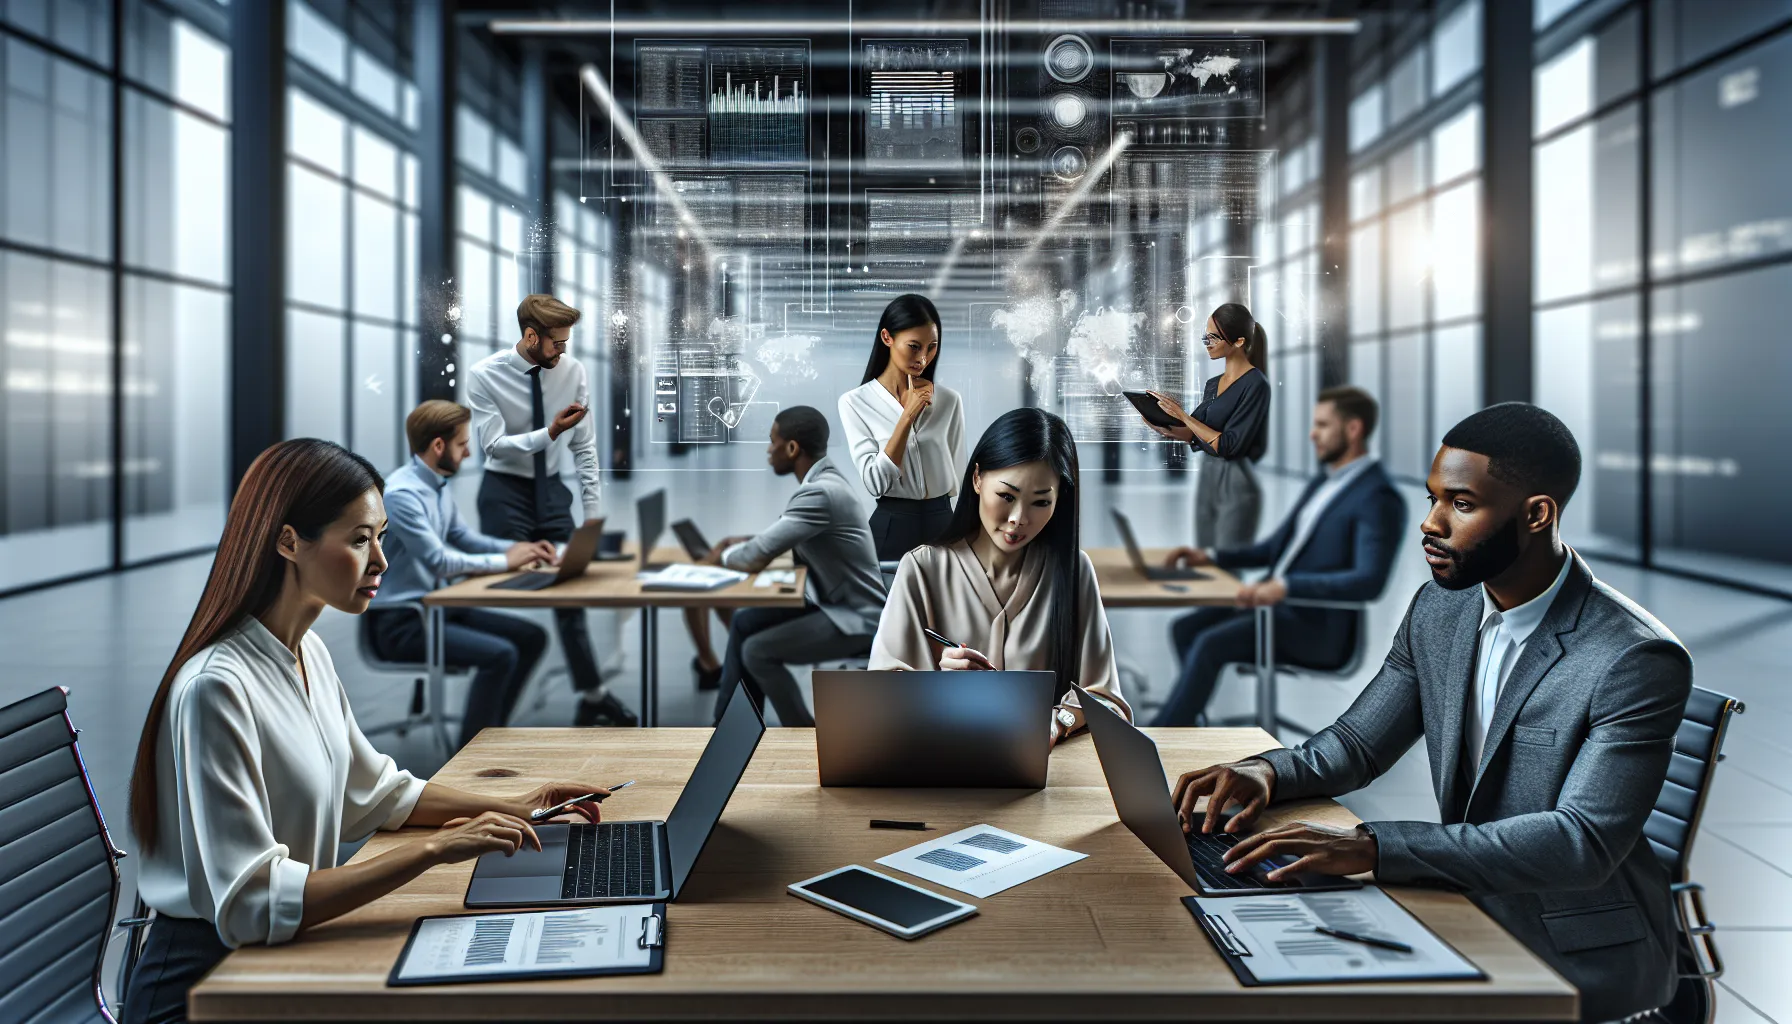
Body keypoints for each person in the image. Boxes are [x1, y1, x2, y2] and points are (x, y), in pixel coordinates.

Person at [1169, 404, 1692, 1024]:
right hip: (1463, 900)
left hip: (1571, 947)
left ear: (1536, 514)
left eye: (1462, 505)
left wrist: (1371, 846)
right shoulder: (1441, 611)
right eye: (1433, 498)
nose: (1430, 523)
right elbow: (1359, 745)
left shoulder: (1633, 656)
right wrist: (1269, 773)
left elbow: (1578, 844)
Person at [124, 439, 614, 1024]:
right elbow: (253, 903)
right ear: (288, 543)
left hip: (281, 955)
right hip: (207, 985)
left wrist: (515, 805)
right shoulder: (216, 687)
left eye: (380, 536)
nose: (382, 560)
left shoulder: (308, 651)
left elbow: (377, 792)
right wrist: (433, 851)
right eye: (360, 540)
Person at [870, 407, 1131, 742]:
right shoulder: (922, 569)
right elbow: (878, 697)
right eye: (1006, 496)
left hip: (1047, 775)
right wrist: (936, 685)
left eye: (1040, 502)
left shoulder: (1073, 570)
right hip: (940, 768)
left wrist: (1057, 720)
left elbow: (1107, 701)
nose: (1018, 519)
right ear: (977, 479)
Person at [1151, 387, 1405, 725]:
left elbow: (1368, 582)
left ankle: (1163, 736)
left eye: (1323, 425)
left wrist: (1285, 587)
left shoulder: (1378, 497)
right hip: (1278, 610)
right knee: (1186, 629)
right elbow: (1275, 549)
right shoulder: (1324, 484)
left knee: (1211, 643)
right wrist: (1211, 557)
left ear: (1353, 429)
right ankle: (1188, 722)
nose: (1313, 434)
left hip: (1318, 627)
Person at [467, 293, 633, 726]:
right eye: (557, 342)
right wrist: (549, 432)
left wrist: (592, 513)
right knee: (505, 583)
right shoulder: (484, 375)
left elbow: (585, 445)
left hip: (553, 493)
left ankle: (592, 694)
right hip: (505, 495)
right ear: (530, 336)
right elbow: (494, 447)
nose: (564, 350)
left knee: (569, 587)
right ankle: (485, 694)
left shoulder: (573, 371)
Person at [365, 401, 559, 748]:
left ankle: (491, 731)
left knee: (532, 637)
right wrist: (507, 563)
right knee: (500, 654)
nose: (468, 453)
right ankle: (470, 754)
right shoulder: (402, 495)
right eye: (462, 444)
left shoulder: (437, 484)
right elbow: (439, 561)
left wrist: (521, 549)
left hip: (438, 608)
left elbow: (463, 538)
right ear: (438, 446)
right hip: (402, 622)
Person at [692, 406, 886, 726]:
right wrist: (737, 542)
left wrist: (721, 557)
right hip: (834, 603)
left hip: (857, 617)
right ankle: (727, 726)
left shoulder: (819, 493)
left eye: (772, 442)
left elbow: (756, 557)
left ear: (792, 448)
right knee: (744, 622)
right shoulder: (826, 480)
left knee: (757, 651)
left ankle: (802, 735)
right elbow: (785, 533)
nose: (768, 450)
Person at [838, 293, 966, 561]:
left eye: (931, 347)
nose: (923, 358)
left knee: (946, 603)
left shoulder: (950, 401)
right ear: (887, 338)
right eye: (914, 346)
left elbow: (960, 479)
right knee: (885, 603)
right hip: (891, 527)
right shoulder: (855, 403)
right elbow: (875, 482)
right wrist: (907, 416)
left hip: (943, 523)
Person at [1145, 302, 1271, 549]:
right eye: (1206, 336)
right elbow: (1196, 435)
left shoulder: (1256, 384)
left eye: (1214, 337)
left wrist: (1183, 415)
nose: (1207, 342)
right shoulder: (1213, 384)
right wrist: (1162, 425)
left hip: (1236, 480)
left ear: (1238, 342)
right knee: (1204, 557)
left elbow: (1227, 445)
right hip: (1208, 476)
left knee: (1226, 563)